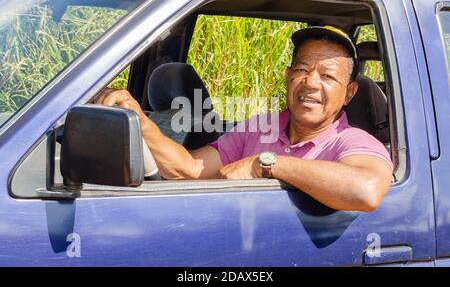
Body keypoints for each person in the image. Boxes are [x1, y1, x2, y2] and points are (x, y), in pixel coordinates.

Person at [95, 26, 393, 212]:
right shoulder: (258, 127)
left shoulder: (353, 142)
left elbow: (365, 191)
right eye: (302, 69)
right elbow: (189, 169)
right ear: (288, 77)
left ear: (349, 93)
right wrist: (141, 122)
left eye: (327, 75)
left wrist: (265, 164)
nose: (311, 82)